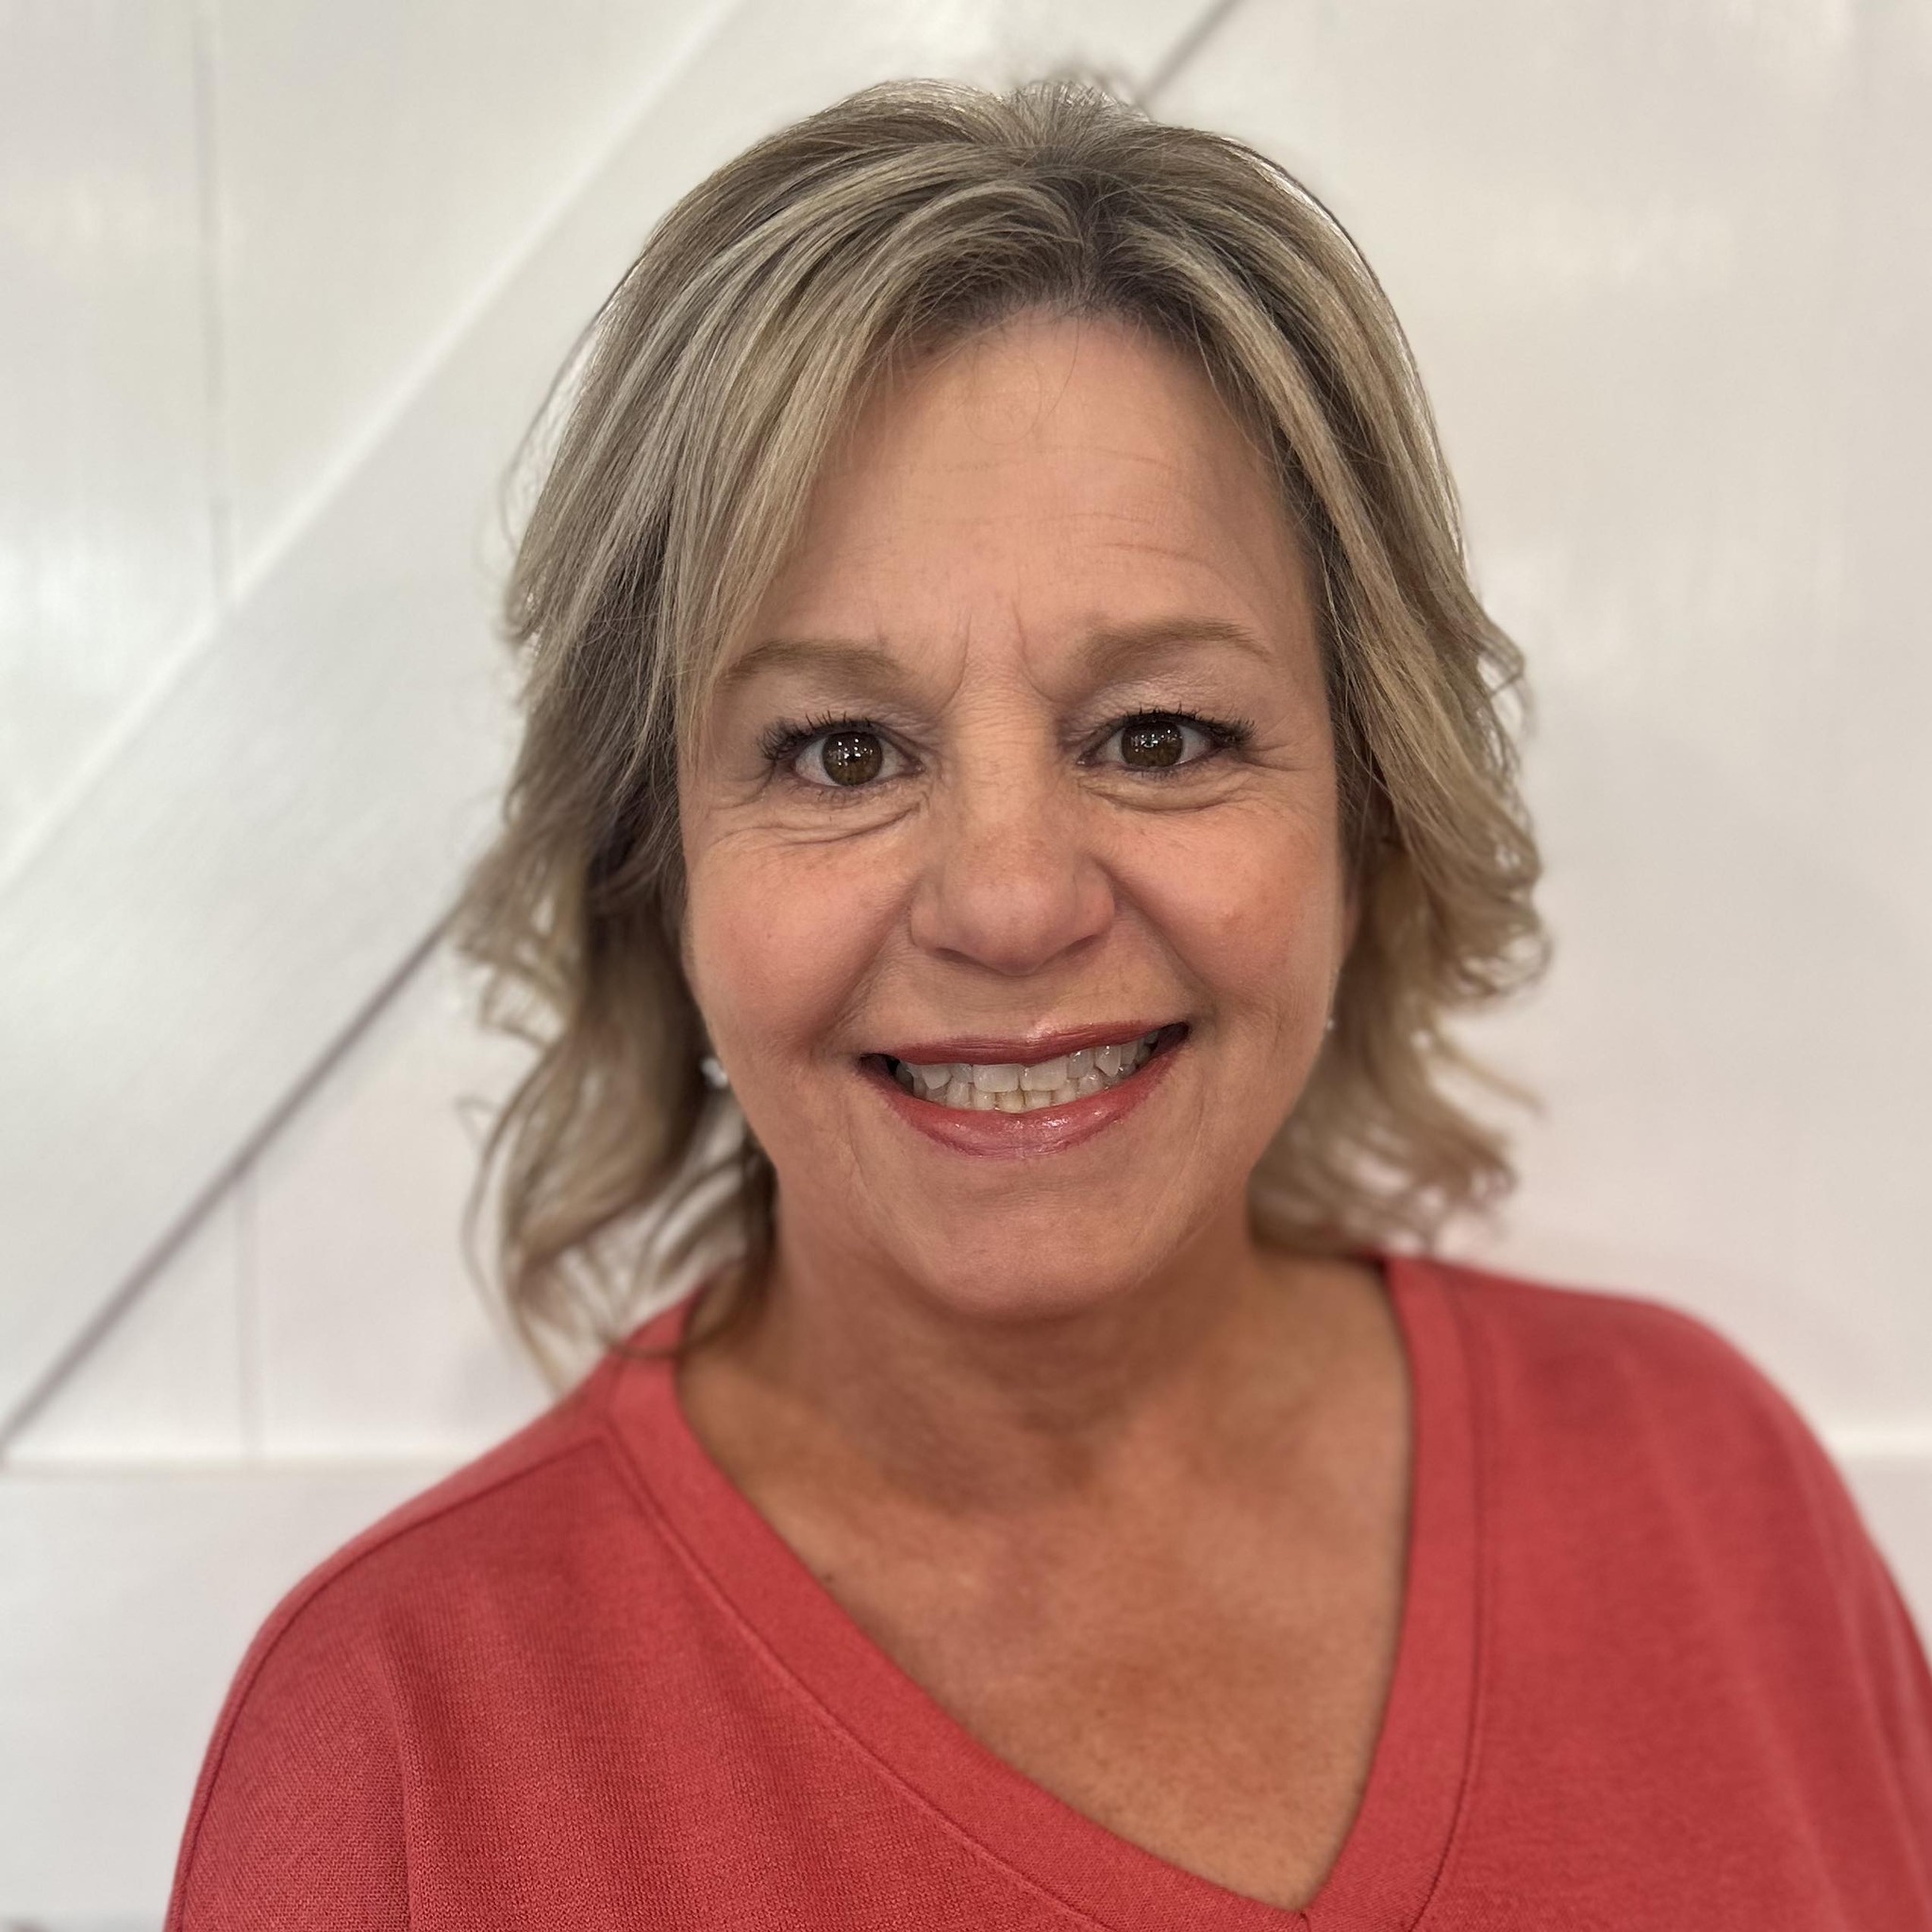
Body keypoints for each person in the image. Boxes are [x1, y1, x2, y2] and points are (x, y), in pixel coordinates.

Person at [166, 79, 1932, 1929]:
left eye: (1160, 734)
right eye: (840, 750)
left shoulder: (1717, 1504)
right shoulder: (397, 1751)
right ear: (657, 864)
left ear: (1366, 812)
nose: (1010, 899)